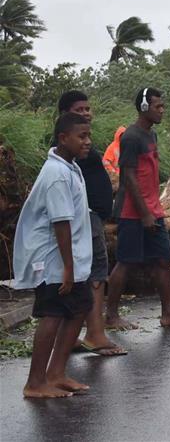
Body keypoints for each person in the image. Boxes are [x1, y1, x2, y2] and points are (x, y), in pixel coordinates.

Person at [13, 113, 94, 398]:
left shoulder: (70, 167)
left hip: (70, 259)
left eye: (88, 135)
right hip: (53, 260)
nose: (88, 141)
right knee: (53, 314)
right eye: (81, 136)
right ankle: (35, 383)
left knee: (81, 306)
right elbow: (61, 223)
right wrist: (68, 268)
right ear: (63, 138)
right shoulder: (57, 175)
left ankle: (56, 373)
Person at [105, 88, 170, 329]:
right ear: (144, 107)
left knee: (164, 259)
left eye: (163, 106)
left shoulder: (151, 135)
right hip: (132, 212)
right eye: (158, 106)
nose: (162, 110)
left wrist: (153, 209)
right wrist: (144, 212)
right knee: (126, 261)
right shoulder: (131, 137)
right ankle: (111, 316)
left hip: (153, 210)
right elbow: (128, 176)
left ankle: (169, 314)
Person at [57, 91, 126, 356]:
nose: (86, 113)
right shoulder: (70, 146)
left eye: (88, 108)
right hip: (86, 216)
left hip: (92, 215)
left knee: (87, 273)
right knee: (96, 272)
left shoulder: (77, 142)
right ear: (65, 115)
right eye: (79, 109)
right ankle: (95, 333)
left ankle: (72, 335)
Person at [102, 125, 126, 191]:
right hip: (114, 176)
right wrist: (114, 172)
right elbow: (106, 162)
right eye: (121, 135)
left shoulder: (126, 146)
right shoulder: (112, 147)